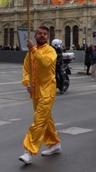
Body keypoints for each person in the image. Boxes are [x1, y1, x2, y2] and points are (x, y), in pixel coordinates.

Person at [19, 26, 61, 165]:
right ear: (35, 36)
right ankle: (54, 143)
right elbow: (26, 69)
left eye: (44, 34)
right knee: (46, 119)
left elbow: (45, 63)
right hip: (36, 91)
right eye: (39, 33)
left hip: (47, 91)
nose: (42, 36)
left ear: (48, 37)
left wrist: (32, 49)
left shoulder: (51, 51)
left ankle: (29, 151)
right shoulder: (30, 53)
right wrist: (27, 83)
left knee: (39, 120)